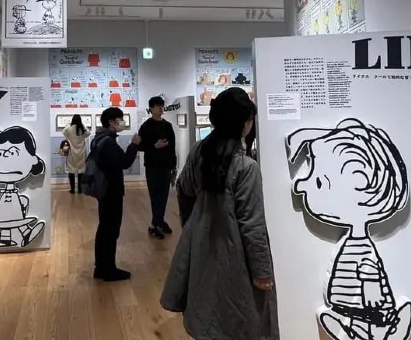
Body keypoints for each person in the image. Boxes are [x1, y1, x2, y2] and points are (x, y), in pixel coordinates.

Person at [160, 87, 278, 339]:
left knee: (206, 310)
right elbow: (252, 225)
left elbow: (184, 189)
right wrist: (262, 271)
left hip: (201, 244)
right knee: (242, 320)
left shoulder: (199, 152)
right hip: (235, 254)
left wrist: (193, 226)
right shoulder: (246, 167)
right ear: (245, 124)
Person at [91, 107, 140, 281]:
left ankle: (100, 267)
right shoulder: (109, 142)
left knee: (104, 228)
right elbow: (124, 162)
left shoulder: (98, 139)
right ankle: (108, 270)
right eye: (120, 119)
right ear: (111, 122)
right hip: (111, 190)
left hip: (103, 189)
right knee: (111, 230)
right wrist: (134, 144)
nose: (122, 123)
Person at [137, 96, 177, 239]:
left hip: (166, 166)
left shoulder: (168, 126)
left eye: (162, 105)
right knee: (155, 196)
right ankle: (155, 224)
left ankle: (158, 222)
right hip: (152, 166)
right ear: (151, 108)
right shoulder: (146, 126)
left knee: (164, 196)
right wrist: (154, 146)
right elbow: (139, 146)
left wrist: (174, 165)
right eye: (157, 106)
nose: (160, 108)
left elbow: (172, 147)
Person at [62, 114, 91, 193]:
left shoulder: (69, 128)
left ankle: (72, 189)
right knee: (81, 171)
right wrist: (82, 125)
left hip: (71, 152)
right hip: (81, 152)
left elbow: (64, 132)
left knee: (71, 171)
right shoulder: (82, 128)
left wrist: (69, 125)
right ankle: (80, 189)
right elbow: (89, 133)